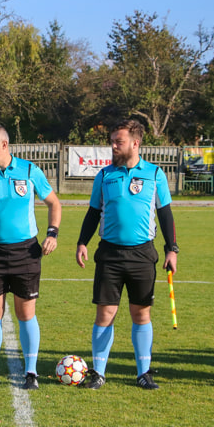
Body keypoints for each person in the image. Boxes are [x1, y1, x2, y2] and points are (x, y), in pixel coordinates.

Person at [75, 119, 178, 390]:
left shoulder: (155, 174)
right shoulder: (104, 176)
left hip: (143, 254)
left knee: (140, 314)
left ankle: (143, 372)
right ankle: (98, 373)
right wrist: (82, 242)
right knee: (105, 313)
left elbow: (165, 214)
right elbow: (94, 212)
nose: (113, 146)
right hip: (109, 253)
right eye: (112, 141)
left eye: (118, 141)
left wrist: (172, 249)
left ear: (135, 143)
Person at [0, 123, 62, 391]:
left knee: (25, 312)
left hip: (25, 252)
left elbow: (54, 203)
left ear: (4, 145)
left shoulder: (29, 170)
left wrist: (52, 233)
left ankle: (31, 371)